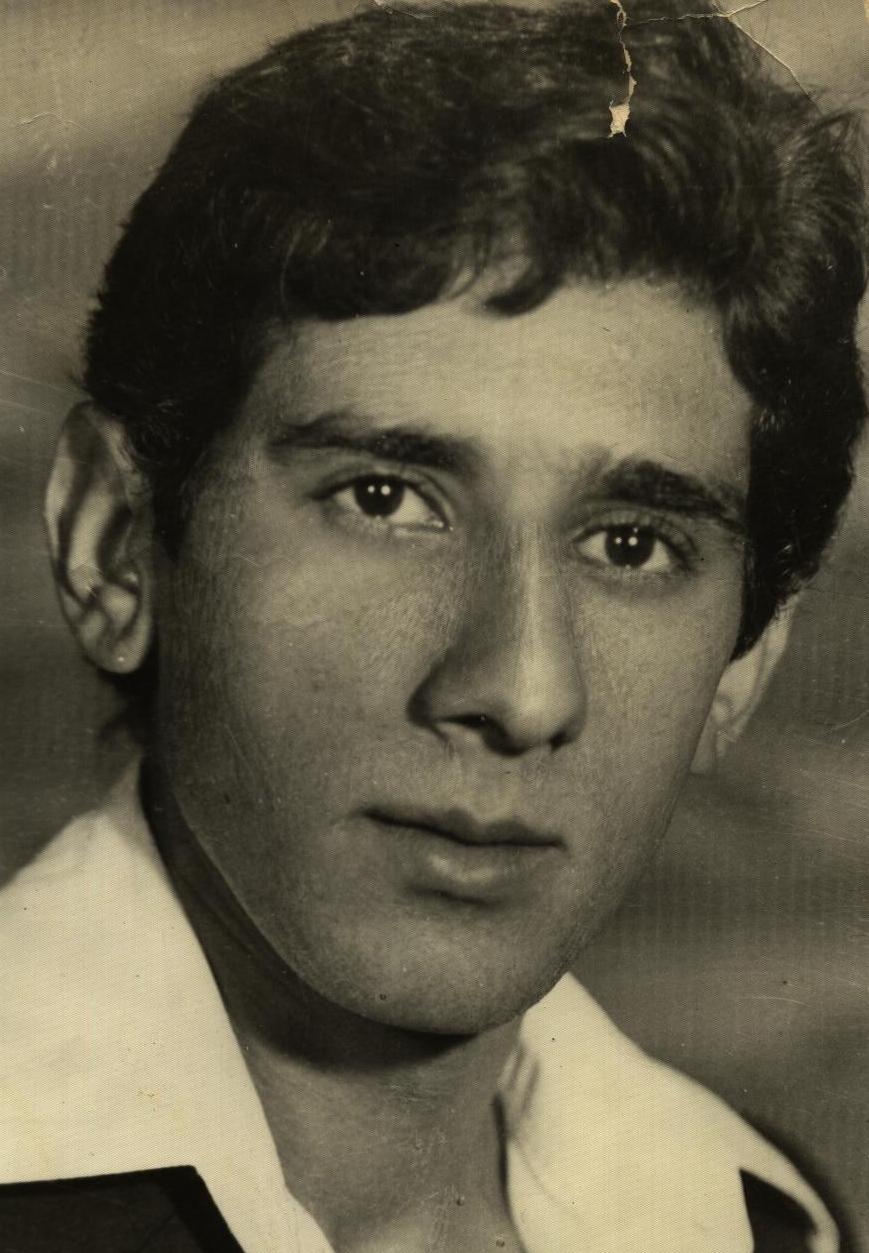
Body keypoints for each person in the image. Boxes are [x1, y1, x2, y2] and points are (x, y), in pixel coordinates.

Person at [1, 0, 865, 1249]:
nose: (518, 688)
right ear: (113, 541)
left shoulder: (757, 1218)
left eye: (630, 544)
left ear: (742, 660)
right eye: (384, 499)